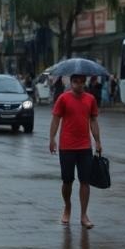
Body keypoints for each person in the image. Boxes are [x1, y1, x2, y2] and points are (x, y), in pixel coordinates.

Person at [49, 73, 103, 229]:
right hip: (66, 147)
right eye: (75, 82)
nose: (78, 85)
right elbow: (56, 119)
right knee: (67, 181)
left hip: (85, 147)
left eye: (81, 82)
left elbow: (93, 120)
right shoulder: (63, 99)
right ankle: (67, 207)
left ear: (85, 83)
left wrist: (98, 141)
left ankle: (84, 215)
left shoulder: (90, 99)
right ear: (70, 83)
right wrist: (52, 139)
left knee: (85, 181)